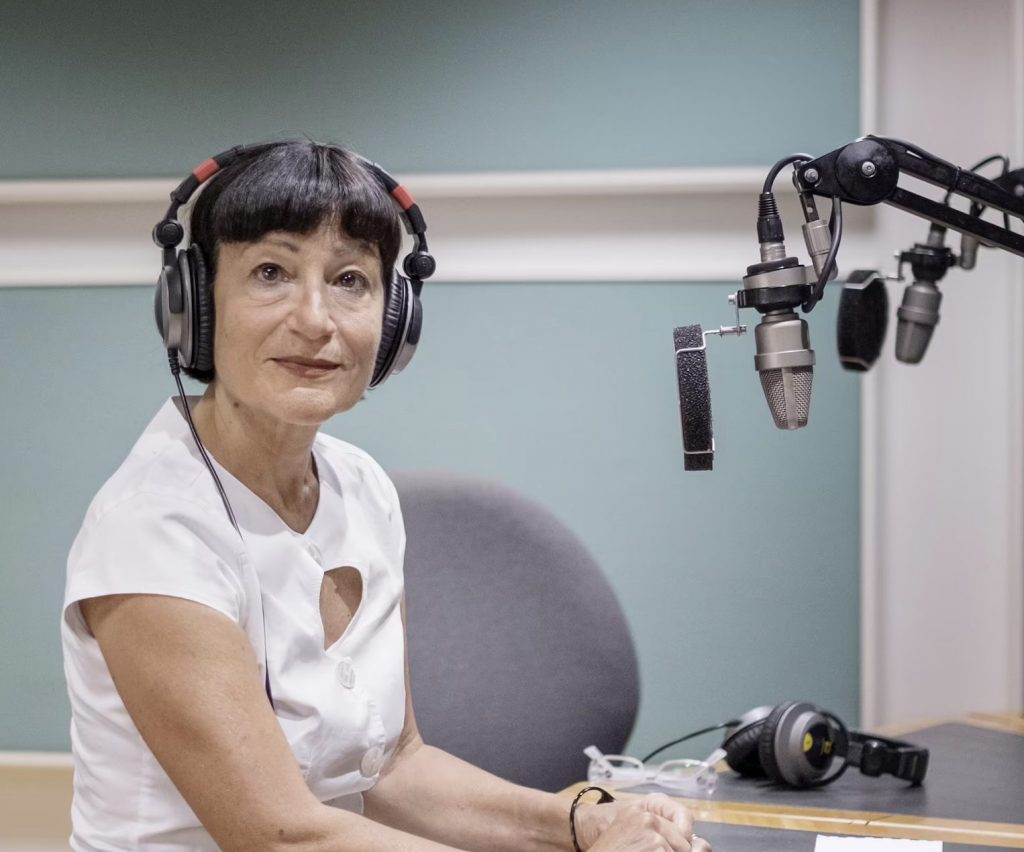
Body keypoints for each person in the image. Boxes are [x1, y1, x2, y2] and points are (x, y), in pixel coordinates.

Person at [61, 140, 711, 851]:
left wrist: (586, 822)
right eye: (271, 273)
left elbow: (396, 768)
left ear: (394, 319)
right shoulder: (152, 529)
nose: (316, 319)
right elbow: (284, 837)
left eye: (350, 280)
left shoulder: (360, 485)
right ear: (196, 304)